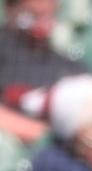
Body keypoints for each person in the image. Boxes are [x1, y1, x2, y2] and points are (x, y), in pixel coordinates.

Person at [0, 0, 86, 144]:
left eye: (48, 15)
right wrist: (41, 134)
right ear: (10, 8)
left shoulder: (67, 65)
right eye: (33, 14)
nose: (42, 23)